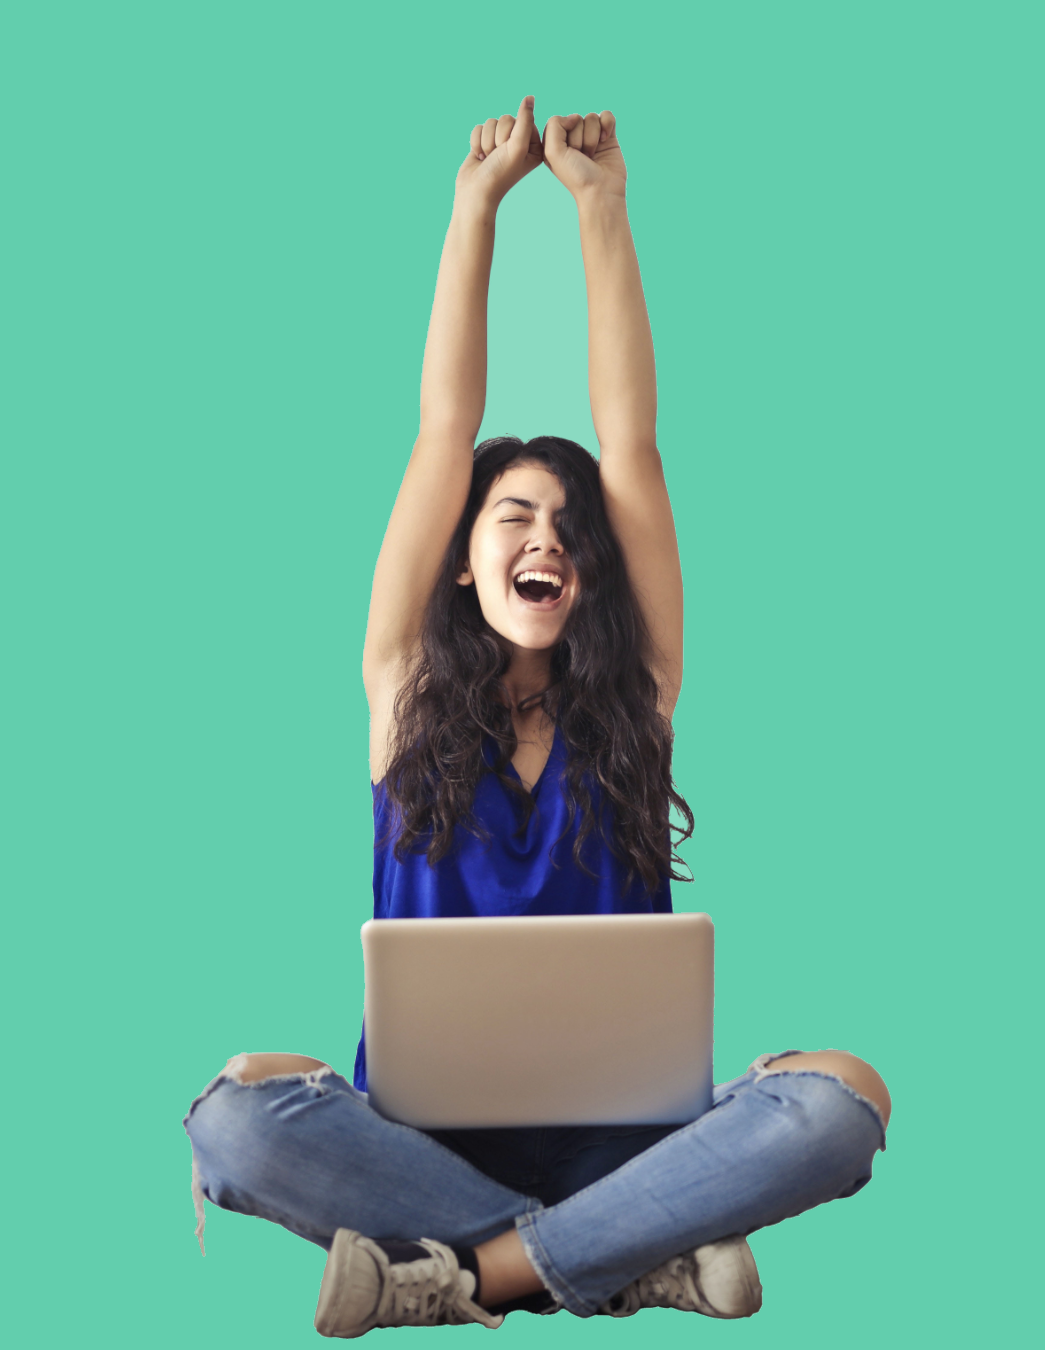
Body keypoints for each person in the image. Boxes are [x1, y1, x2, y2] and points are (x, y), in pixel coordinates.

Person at [184, 96, 892, 1338]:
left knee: (846, 1099)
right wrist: (476, 207)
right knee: (235, 1115)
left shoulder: (638, 702)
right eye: (513, 515)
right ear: (463, 559)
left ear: (591, 571)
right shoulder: (403, 690)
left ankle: (477, 1278)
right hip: (419, 1148)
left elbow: (634, 447)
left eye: (567, 525)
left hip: (631, 1147)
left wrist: (601, 208)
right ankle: (632, 1261)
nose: (547, 535)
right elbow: (440, 432)